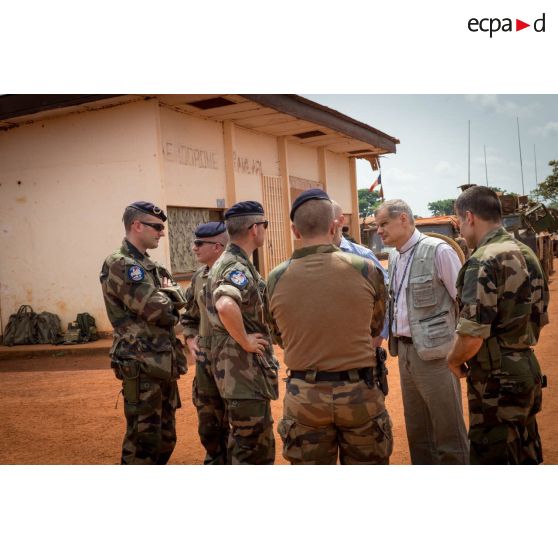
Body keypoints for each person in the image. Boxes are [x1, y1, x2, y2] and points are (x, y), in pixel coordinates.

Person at [268, 189, 392, 464]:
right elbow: (376, 327)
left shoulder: (276, 278)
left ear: (294, 230)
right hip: (360, 394)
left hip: (305, 398)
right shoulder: (367, 269)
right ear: (335, 225)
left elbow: (280, 337)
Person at [447, 186, 548, 464]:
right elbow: (540, 314)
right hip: (526, 367)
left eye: (459, 222)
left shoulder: (483, 259)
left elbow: (471, 336)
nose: (461, 232)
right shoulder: (526, 252)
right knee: (525, 452)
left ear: (469, 217)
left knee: (493, 456)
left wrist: (453, 360)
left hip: (495, 379)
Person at [375, 199, 469, 465]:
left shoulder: (438, 251)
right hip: (405, 352)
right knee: (418, 433)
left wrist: (460, 352)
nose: (379, 231)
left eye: (384, 224)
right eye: (377, 226)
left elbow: (463, 303)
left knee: (449, 432)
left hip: (438, 356)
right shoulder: (394, 256)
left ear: (403, 219)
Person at [100, 201, 187, 465]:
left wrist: (169, 301)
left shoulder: (151, 267)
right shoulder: (122, 264)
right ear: (137, 226)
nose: (162, 232)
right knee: (143, 442)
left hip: (162, 361)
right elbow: (157, 309)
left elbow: (178, 299)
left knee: (166, 437)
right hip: (141, 363)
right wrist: (168, 302)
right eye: (157, 226)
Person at [204, 201, 279, 464]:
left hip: (236, 373)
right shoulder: (235, 266)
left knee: (242, 445)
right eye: (265, 225)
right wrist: (246, 340)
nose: (265, 231)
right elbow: (225, 304)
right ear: (254, 228)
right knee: (253, 450)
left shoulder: (230, 261)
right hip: (243, 373)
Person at [181, 221, 229, 464]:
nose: (193, 248)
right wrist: (190, 338)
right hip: (205, 363)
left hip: (233, 363)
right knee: (208, 425)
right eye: (194, 242)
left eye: (200, 244)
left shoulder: (235, 274)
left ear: (218, 246)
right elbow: (189, 316)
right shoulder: (199, 277)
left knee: (238, 424)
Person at [332, 200, 389, 344]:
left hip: (362, 344)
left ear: (340, 221)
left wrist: (378, 338)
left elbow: (386, 295)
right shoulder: (310, 261)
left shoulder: (363, 255)